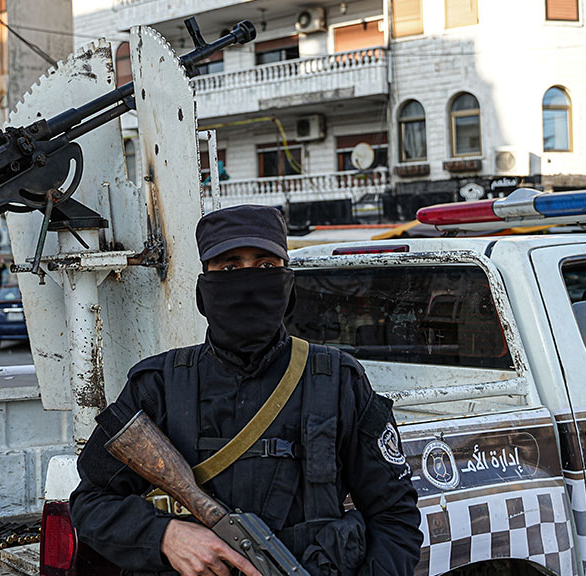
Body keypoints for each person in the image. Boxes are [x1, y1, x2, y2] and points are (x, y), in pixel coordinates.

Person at [71, 205, 423, 576]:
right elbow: (90, 503)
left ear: (288, 287)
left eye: (267, 266)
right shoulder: (158, 384)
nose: (248, 280)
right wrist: (165, 535)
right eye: (229, 268)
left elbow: (394, 517)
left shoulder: (339, 380)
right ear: (203, 294)